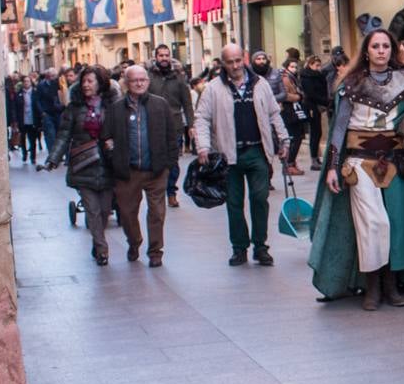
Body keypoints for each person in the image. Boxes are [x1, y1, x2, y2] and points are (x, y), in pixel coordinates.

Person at [309, 28, 404, 309]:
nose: (381, 51)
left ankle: (391, 285)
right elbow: (339, 128)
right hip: (359, 163)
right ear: (366, 50)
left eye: (386, 46)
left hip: (395, 161)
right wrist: (332, 167)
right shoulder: (351, 83)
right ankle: (372, 287)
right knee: (373, 225)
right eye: (375, 46)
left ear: (392, 50)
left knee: (396, 226)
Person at [194, 44, 290, 267]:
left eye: (238, 60)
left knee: (259, 198)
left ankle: (261, 246)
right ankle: (239, 248)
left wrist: (283, 140)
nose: (235, 66)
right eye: (230, 62)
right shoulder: (213, 88)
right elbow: (202, 119)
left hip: (257, 151)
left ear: (243, 59)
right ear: (223, 63)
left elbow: (274, 113)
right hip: (228, 155)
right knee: (234, 203)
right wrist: (203, 147)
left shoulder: (260, 84)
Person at [101, 65, 177, 267]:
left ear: (148, 81)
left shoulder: (160, 105)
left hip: (156, 170)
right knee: (127, 213)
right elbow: (106, 137)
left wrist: (169, 164)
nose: (139, 83)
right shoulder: (116, 109)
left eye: (143, 79)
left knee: (157, 213)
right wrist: (113, 156)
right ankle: (134, 242)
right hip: (128, 171)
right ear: (126, 83)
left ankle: (155, 251)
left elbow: (172, 136)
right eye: (135, 80)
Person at [45, 65, 117, 265]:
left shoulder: (112, 105)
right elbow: (64, 135)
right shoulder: (74, 107)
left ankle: (97, 240)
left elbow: (122, 131)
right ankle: (102, 250)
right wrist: (54, 158)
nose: (86, 85)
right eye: (83, 81)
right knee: (92, 209)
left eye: (90, 81)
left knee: (104, 210)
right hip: (83, 163)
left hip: (108, 164)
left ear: (100, 83)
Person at [148, 44, 195, 208]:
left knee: (173, 162)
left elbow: (187, 103)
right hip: (152, 126)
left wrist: (191, 125)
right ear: (156, 58)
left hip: (174, 125)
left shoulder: (178, 78)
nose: (164, 58)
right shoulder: (149, 77)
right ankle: (158, 191)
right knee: (155, 160)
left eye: (166, 55)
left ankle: (171, 192)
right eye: (161, 55)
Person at [301, 55, 330, 171]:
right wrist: (325, 101)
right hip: (312, 107)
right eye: (316, 65)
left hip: (318, 105)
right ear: (310, 65)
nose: (318, 68)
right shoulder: (307, 77)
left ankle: (316, 157)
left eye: (319, 65)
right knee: (315, 132)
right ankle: (314, 158)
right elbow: (311, 93)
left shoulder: (318, 76)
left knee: (318, 132)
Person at [280, 58, 308, 176]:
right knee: (295, 137)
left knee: (297, 136)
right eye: (292, 66)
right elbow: (285, 95)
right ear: (287, 67)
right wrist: (298, 97)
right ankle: (289, 164)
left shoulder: (293, 77)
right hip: (289, 110)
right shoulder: (286, 78)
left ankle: (291, 162)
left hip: (293, 110)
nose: (294, 69)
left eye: (296, 67)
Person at [12, 75, 43, 167]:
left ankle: (33, 157)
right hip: (22, 119)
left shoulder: (35, 93)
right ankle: (24, 153)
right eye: (25, 81)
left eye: (28, 81)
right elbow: (15, 108)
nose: (26, 83)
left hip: (32, 119)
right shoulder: (19, 94)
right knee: (22, 138)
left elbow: (38, 105)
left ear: (31, 82)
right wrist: (15, 120)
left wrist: (41, 115)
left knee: (32, 139)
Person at [35, 69, 64, 160]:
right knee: (50, 134)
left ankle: (59, 154)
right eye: (52, 76)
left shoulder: (59, 85)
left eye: (55, 76)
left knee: (59, 134)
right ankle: (52, 155)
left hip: (58, 112)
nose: (54, 78)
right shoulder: (41, 86)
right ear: (47, 76)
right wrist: (42, 112)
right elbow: (38, 100)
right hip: (47, 113)